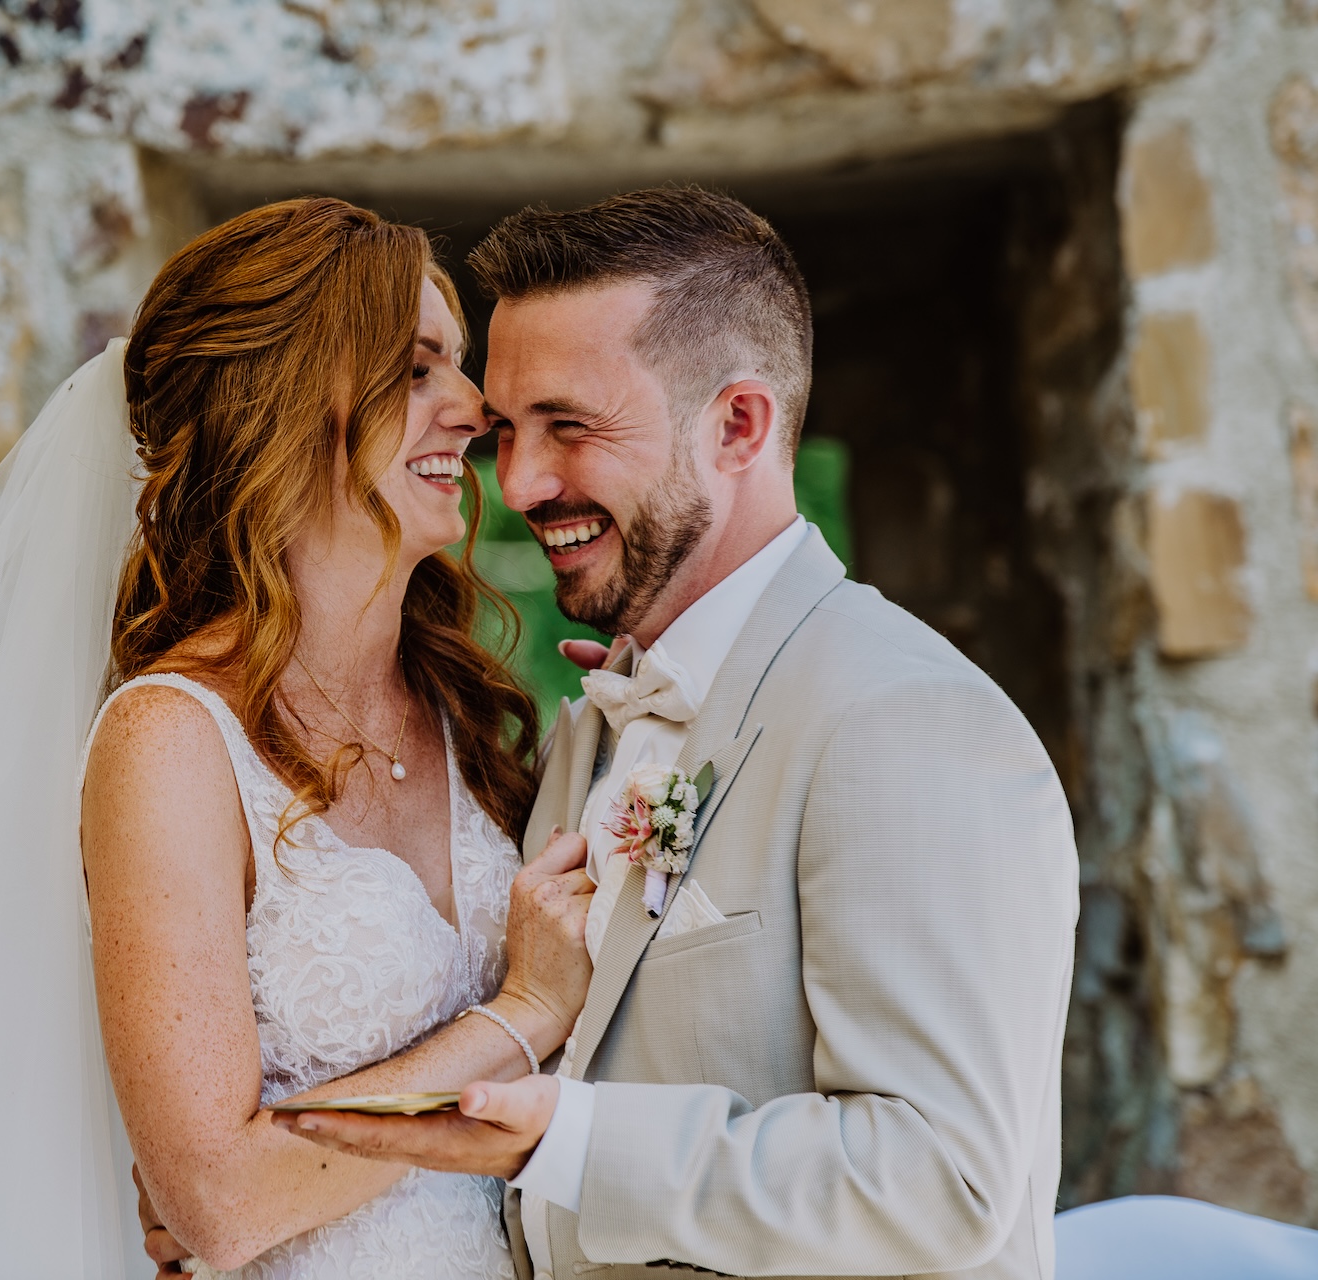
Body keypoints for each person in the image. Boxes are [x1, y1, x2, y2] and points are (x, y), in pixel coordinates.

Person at [0, 197, 594, 1280]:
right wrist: (522, 1013)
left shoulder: (462, 708)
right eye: (418, 368)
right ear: (285, 405)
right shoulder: (173, 742)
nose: (475, 408)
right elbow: (220, 1201)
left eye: (459, 365)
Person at [276, 187, 1081, 1280]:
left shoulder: (902, 720)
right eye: (507, 433)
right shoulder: (597, 725)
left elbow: (942, 1179)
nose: (516, 485)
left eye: (571, 426)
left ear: (739, 424)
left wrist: (574, 1140)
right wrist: (272, 1201)